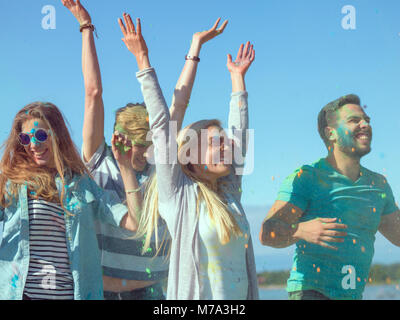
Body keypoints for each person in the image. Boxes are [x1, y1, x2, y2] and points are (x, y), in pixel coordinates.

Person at [62, 0, 228, 300]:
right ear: (116, 139)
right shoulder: (98, 158)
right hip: (104, 290)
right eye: (134, 146)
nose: (141, 155)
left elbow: (178, 105)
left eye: (147, 146)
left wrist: (195, 48)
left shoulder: (159, 165)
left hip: (154, 291)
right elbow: (93, 93)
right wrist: (86, 27)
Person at [118, 13, 258, 300]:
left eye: (224, 143)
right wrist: (142, 58)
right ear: (190, 156)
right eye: (215, 143)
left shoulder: (229, 195)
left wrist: (237, 82)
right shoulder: (179, 195)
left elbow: (239, 138)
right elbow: (161, 125)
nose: (225, 148)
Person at [260, 94, 400, 300]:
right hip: (311, 293)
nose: (365, 125)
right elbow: (267, 233)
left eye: (367, 120)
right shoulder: (306, 177)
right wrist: (300, 230)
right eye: (354, 120)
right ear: (331, 133)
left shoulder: (378, 184)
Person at [0, 102, 137, 300]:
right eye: (25, 138)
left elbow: (134, 222)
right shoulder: (11, 184)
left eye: (40, 136)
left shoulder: (82, 184)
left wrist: (126, 168)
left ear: (57, 136)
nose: (33, 145)